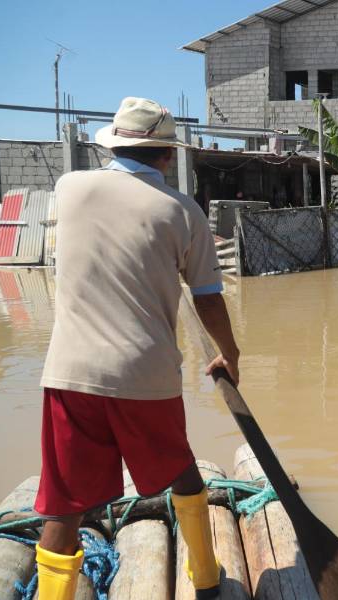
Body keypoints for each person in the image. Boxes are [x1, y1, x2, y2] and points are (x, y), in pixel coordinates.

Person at [34, 97, 240, 600]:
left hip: (69, 373)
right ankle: (208, 580)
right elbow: (208, 298)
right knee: (184, 475)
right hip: (145, 375)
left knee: (63, 504)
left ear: (116, 143)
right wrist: (230, 355)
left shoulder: (69, 187)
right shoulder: (183, 212)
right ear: (168, 154)